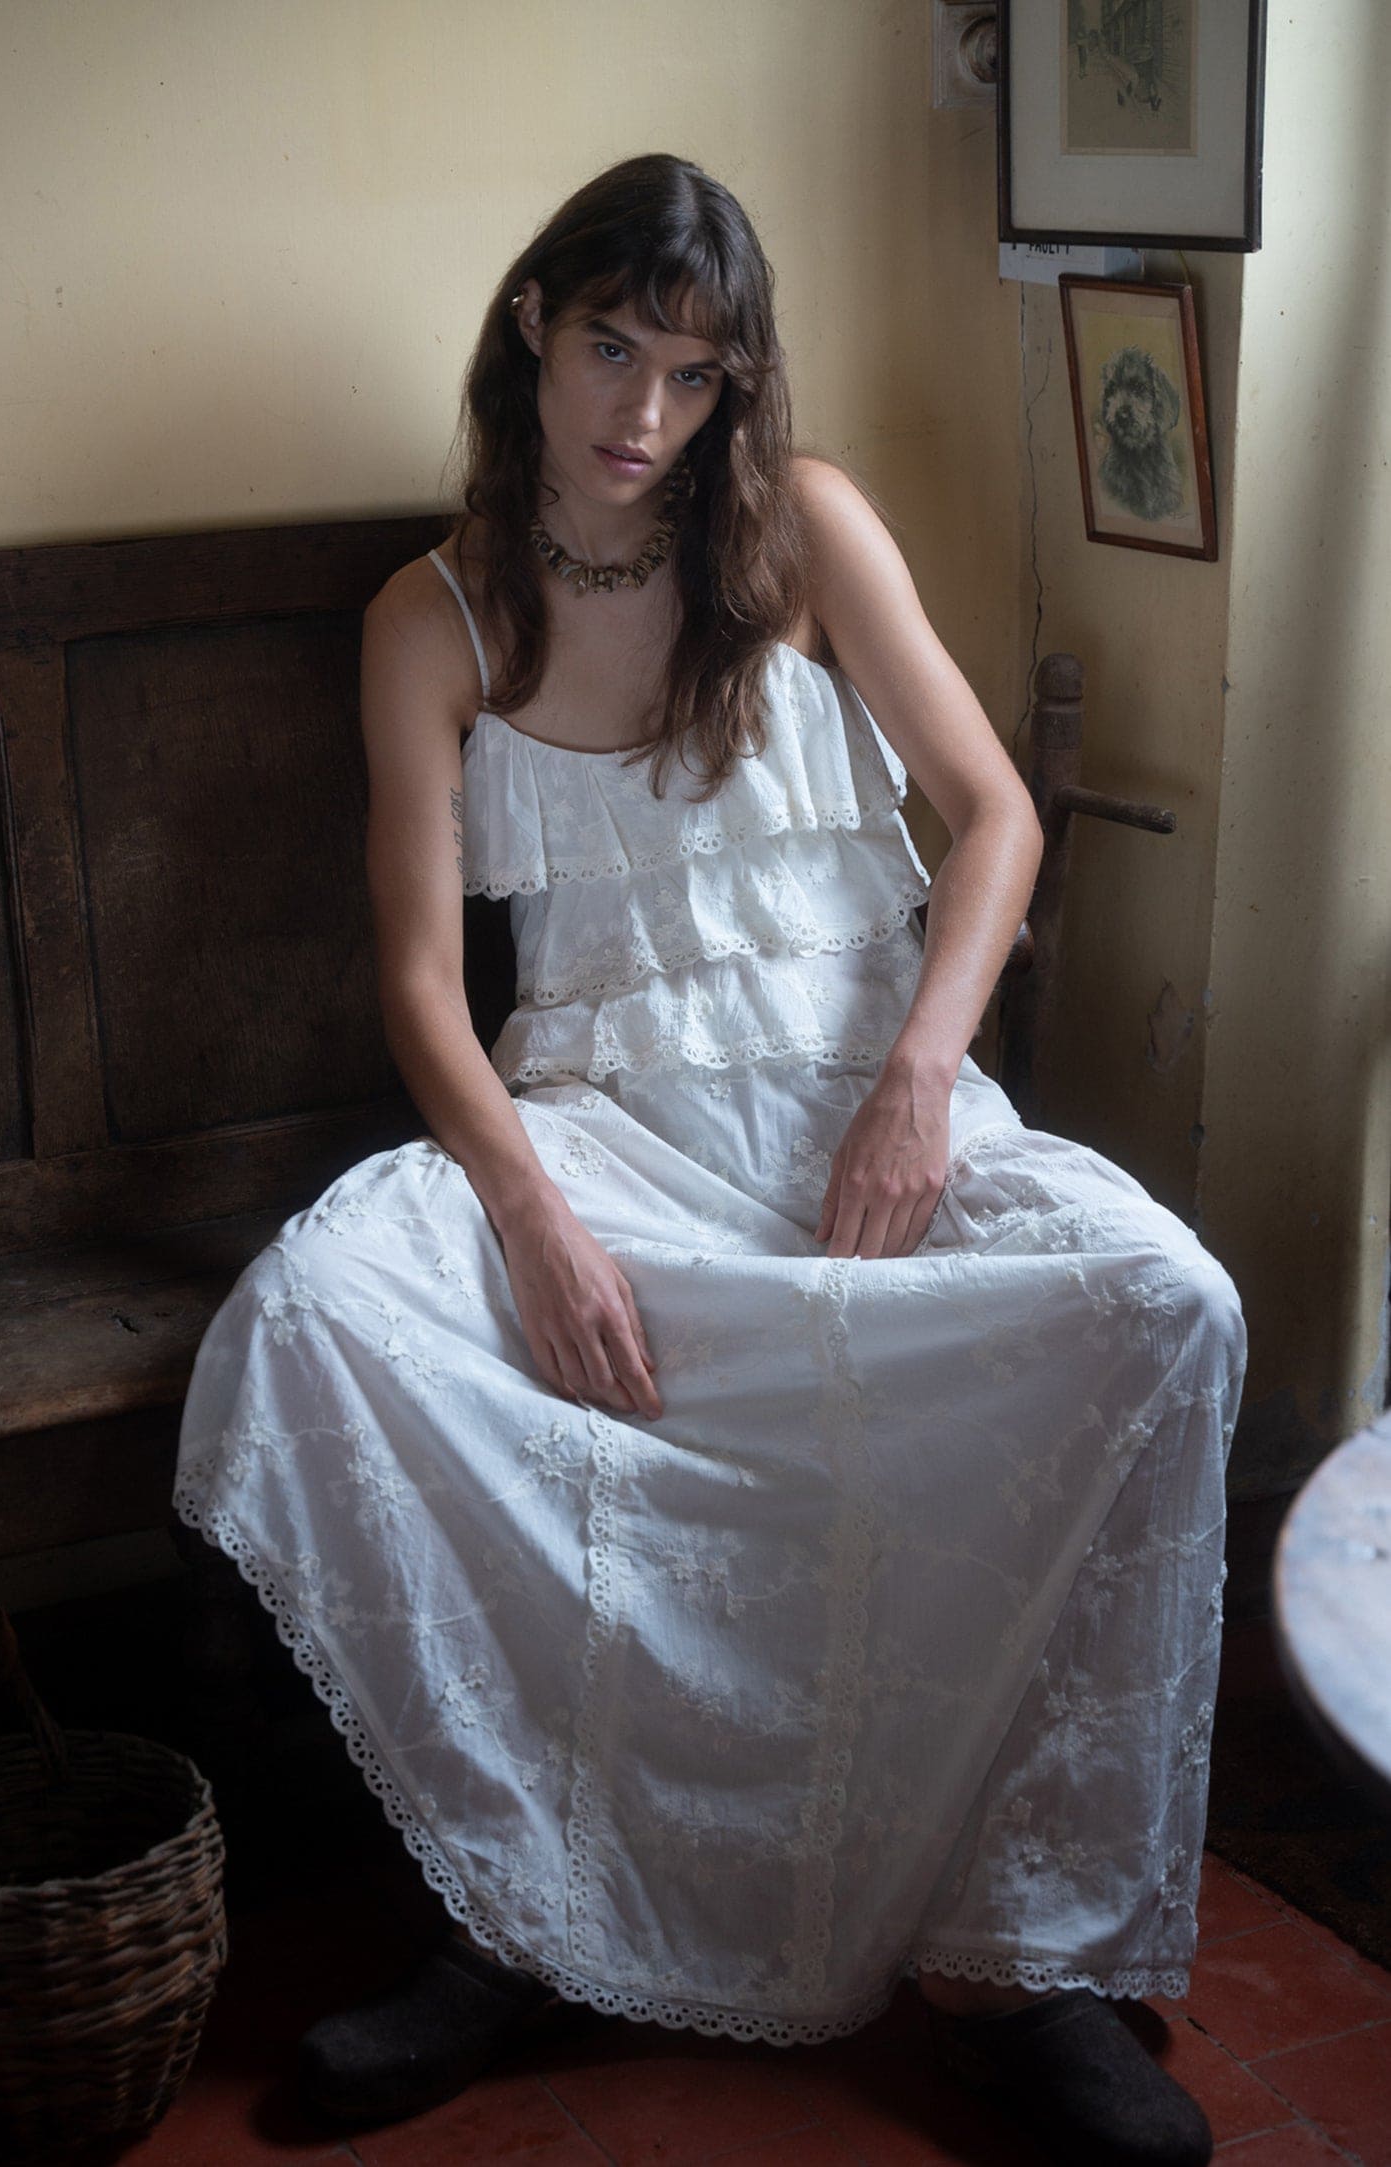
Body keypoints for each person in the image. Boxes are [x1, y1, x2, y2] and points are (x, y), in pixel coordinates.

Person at [174, 154, 1244, 2166]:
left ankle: (1031, 1959)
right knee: (315, 1314)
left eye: (690, 373)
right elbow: (423, 986)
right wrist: (536, 1220)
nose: (643, 417)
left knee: (1168, 1302)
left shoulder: (805, 526)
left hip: (862, 1107)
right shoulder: (436, 615)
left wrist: (927, 1076)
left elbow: (993, 816)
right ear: (528, 326)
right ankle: (512, 1912)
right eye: (609, 349)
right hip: (597, 1135)